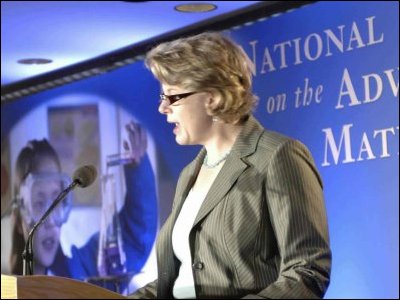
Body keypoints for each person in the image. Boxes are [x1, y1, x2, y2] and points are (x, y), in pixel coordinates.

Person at [130, 32, 331, 299]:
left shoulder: (277, 156)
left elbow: (307, 272)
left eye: (173, 97)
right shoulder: (189, 173)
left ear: (211, 98)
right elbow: (181, 281)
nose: (163, 108)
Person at [10, 122, 157, 289]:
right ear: (19, 216)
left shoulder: (83, 274)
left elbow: (134, 239)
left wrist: (137, 169)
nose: (50, 221)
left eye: (56, 201)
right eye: (39, 203)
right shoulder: (6, 289)